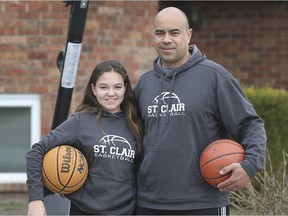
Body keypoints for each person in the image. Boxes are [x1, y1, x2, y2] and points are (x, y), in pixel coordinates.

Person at [133, 7, 266, 215]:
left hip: (203, 203)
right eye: (160, 33)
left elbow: (250, 124)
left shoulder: (215, 77)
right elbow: (127, 135)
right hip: (149, 202)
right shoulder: (144, 84)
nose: (166, 39)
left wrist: (249, 167)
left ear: (188, 35)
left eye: (174, 32)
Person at [26, 60, 143, 215]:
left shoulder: (135, 124)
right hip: (85, 211)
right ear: (93, 89)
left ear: (126, 88)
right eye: (103, 87)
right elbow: (36, 151)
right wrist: (36, 200)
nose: (111, 93)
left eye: (117, 87)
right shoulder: (81, 121)